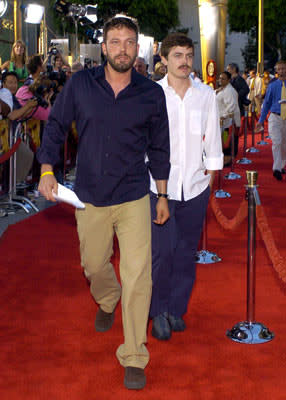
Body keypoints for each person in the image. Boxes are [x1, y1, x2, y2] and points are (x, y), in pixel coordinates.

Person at [37, 15, 170, 390]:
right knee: (94, 263)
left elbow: (161, 148)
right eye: (115, 41)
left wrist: (161, 195)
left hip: (133, 195)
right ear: (104, 46)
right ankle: (108, 297)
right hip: (90, 195)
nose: (123, 48)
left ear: (137, 48)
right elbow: (57, 126)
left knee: (138, 274)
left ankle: (133, 353)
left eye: (130, 42)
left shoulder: (150, 93)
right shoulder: (81, 84)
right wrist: (47, 169)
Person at [149, 33, 223, 341]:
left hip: (195, 186)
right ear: (163, 59)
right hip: (157, 187)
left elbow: (213, 137)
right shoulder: (151, 94)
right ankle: (158, 310)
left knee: (185, 252)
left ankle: (176, 309)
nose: (184, 61)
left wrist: (212, 178)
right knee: (161, 253)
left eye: (188, 55)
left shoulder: (206, 95)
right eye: (177, 55)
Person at [255, 60, 286, 181]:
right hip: (275, 117)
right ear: (276, 71)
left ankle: (281, 164)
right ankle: (276, 168)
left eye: (284, 68)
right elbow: (266, 103)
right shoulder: (272, 86)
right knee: (276, 142)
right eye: (280, 69)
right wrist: (261, 120)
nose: (282, 71)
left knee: (284, 144)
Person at [216, 71, 241, 164]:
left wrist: (223, 116)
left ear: (229, 80)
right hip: (223, 122)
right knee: (223, 141)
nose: (220, 80)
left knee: (226, 142)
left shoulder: (230, 91)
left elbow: (232, 106)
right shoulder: (223, 89)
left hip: (227, 123)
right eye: (220, 78)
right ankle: (225, 159)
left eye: (223, 79)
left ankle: (227, 160)